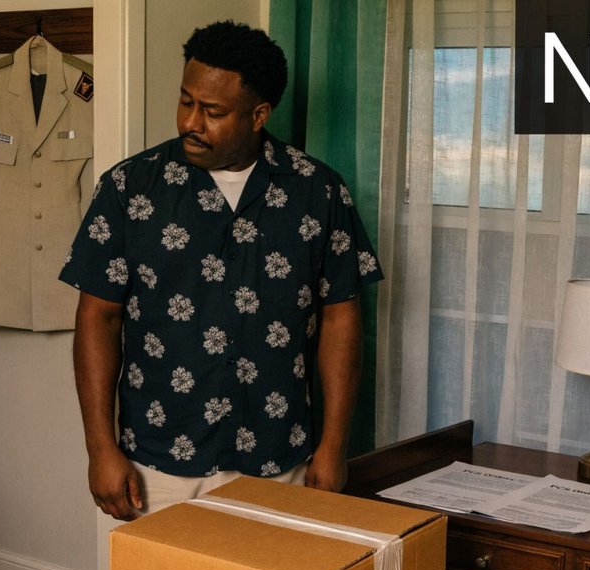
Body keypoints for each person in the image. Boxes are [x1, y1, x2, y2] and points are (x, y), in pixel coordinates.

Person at [60, 20, 382, 520]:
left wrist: (333, 447)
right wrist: (101, 449)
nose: (190, 122)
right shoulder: (129, 189)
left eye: (212, 111)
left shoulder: (318, 192)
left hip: (279, 456)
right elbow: (97, 319)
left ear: (258, 115)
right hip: (158, 462)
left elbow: (341, 319)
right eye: (186, 101)